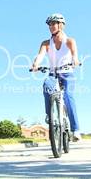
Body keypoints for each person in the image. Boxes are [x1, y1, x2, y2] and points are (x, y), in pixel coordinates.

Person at [31, 13, 81, 141]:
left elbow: (74, 53)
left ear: (61, 25)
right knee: (47, 86)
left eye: (54, 24)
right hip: (53, 73)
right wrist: (36, 64)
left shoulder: (70, 41)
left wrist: (75, 59)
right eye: (50, 24)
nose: (51, 26)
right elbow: (41, 55)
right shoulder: (46, 43)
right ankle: (50, 115)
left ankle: (75, 130)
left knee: (68, 97)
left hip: (67, 72)